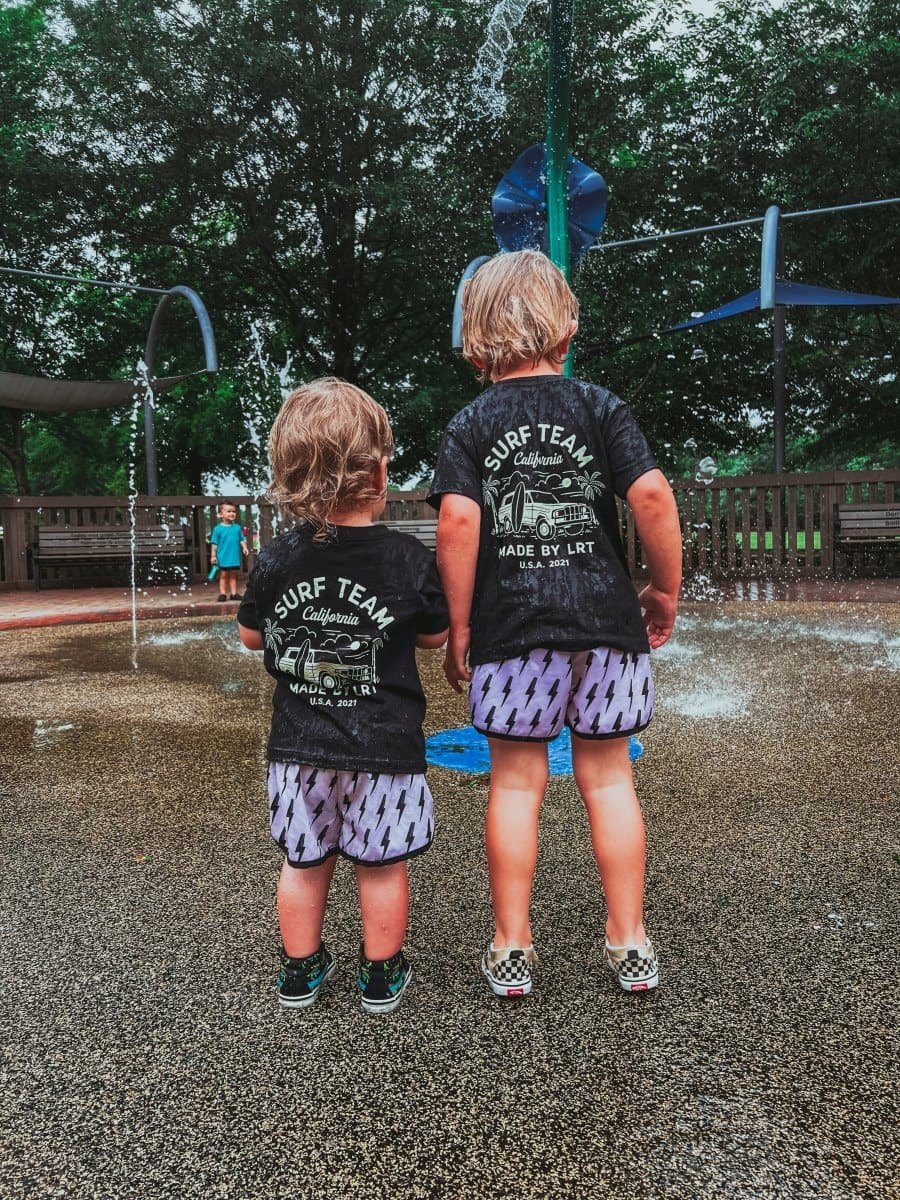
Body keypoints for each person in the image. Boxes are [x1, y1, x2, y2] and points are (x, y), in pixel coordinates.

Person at [428, 250, 681, 998]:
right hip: (606, 625)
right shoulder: (601, 408)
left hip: (513, 633)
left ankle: (512, 947)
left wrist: (460, 629)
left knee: (515, 785)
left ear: (475, 344)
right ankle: (630, 941)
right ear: (568, 330)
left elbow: (457, 525)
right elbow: (653, 498)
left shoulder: (471, 423)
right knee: (609, 779)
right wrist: (664, 589)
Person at [237, 378, 448, 1015]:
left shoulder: (278, 556)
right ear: (380, 472)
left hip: (298, 748)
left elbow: (251, 636)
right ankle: (380, 975)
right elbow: (434, 636)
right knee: (380, 865)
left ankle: (300, 971)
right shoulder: (406, 557)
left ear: (288, 475)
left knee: (304, 862)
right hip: (384, 748)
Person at [210, 502, 248, 601]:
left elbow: (242, 539)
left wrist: (244, 547)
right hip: (223, 556)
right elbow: (214, 544)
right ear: (221, 514)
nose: (232, 513)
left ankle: (234, 594)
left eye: (234, 511)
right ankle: (222, 593)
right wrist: (213, 556)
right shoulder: (218, 529)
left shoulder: (237, 528)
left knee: (233, 575)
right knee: (223, 575)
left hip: (234, 556)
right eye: (229, 511)